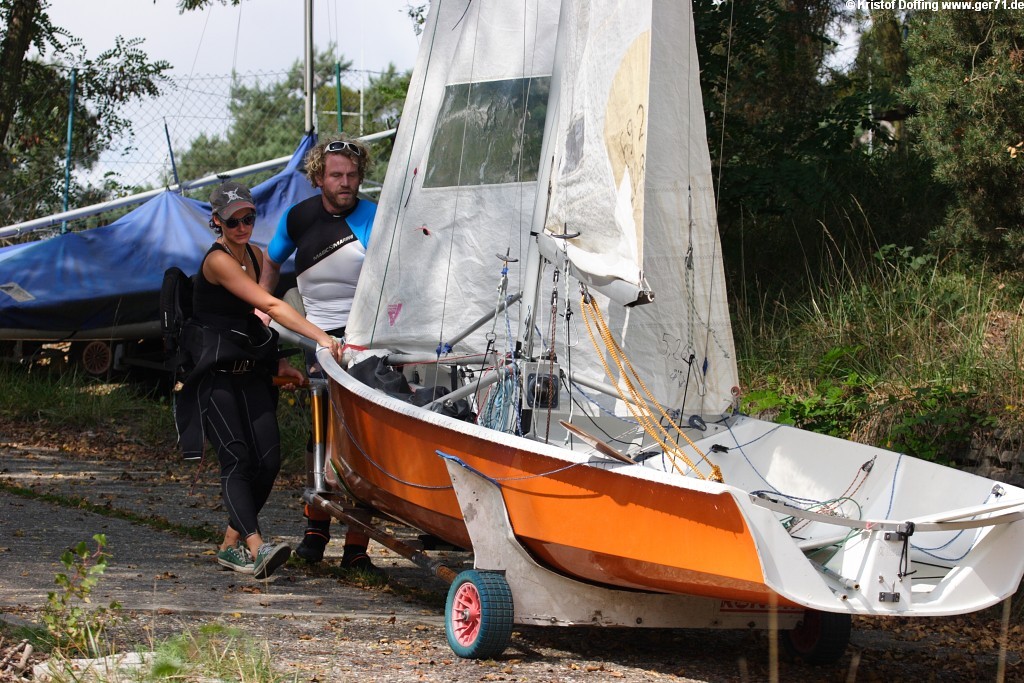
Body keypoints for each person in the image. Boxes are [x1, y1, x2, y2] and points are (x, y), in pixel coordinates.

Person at [175, 180, 344, 580]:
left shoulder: (252, 254)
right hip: (214, 377)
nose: (242, 227)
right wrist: (322, 337)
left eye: (248, 218)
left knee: (267, 461)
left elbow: (252, 323)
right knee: (237, 458)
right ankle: (256, 547)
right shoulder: (218, 261)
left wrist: (278, 363)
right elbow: (269, 304)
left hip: (250, 372)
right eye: (233, 221)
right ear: (217, 222)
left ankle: (229, 545)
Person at [258, 134, 384, 576]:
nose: (345, 183)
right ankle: (315, 531)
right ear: (318, 178)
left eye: (352, 175)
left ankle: (357, 547)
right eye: (336, 175)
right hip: (318, 338)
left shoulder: (374, 216)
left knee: (363, 441)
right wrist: (264, 307)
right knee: (322, 435)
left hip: (366, 339)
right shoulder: (298, 218)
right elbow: (271, 262)